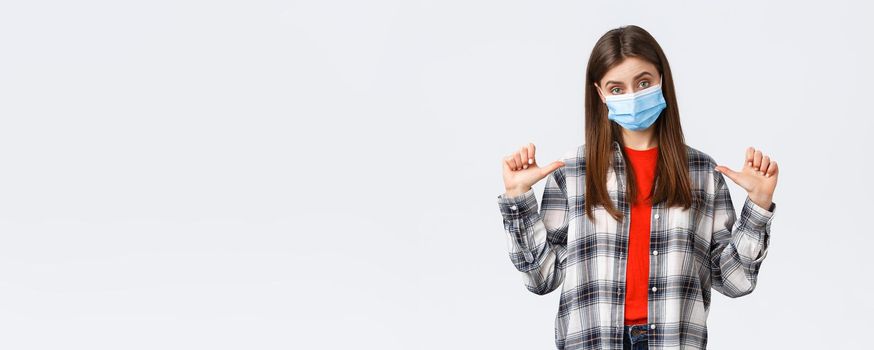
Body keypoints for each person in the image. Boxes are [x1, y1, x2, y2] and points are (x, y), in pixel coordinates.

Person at [496, 25, 778, 350]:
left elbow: (736, 280)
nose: (632, 96)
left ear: (661, 80)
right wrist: (518, 198)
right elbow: (542, 278)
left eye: (643, 83)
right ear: (600, 93)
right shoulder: (573, 172)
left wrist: (758, 203)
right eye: (617, 88)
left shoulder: (701, 174)